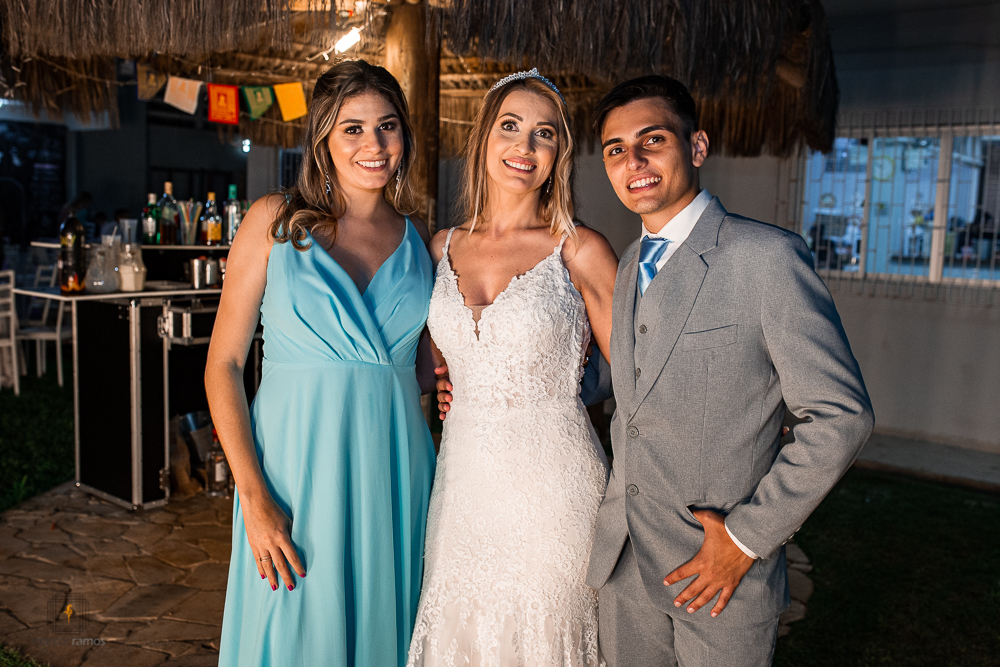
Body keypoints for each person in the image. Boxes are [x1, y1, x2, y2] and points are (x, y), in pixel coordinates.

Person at [584, 75, 875, 667]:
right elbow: (639, 385)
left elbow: (841, 417)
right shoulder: (631, 262)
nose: (633, 161)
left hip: (720, 574)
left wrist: (746, 539)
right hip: (625, 562)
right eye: (616, 149)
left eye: (652, 140)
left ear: (697, 147)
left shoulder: (766, 258)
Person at [207, 60, 437, 667]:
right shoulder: (272, 220)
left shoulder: (421, 238)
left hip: (395, 468)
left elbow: (422, 369)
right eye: (352, 129)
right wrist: (252, 494)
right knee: (291, 627)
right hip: (294, 469)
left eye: (387, 126)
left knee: (385, 624)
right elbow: (223, 364)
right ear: (323, 139)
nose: (374, 144)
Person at [407, 70, 619, 666]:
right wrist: (447, 385)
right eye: (510, 126)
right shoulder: (439, 248)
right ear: (483, 138)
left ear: (559, 154)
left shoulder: (579, 249)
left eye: (543, 134)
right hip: (463, 490)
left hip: (554, 490)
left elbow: (642, 376)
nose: (525, 146)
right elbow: (425, 364)